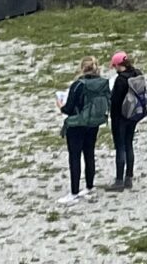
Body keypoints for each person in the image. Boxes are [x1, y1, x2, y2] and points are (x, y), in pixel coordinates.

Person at [59, 57, 111, 201]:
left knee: (74, 157)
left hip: (76, 125)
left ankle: (74, 192)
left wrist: (60, 105)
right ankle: (89, 186)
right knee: (89, 154)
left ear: (82, 68)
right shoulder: (102, 83)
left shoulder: (78, 85)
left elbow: (68, 109)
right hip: (93, 123)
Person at [107, 50, 147, 189]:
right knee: (129, 144)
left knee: (120, 147)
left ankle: (119, 180)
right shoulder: (137, 73)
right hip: (133, 115)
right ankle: (129, 177)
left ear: (119, 65)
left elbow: (115, 102)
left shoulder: (121, 80)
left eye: (115, 66)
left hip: (120, 118)